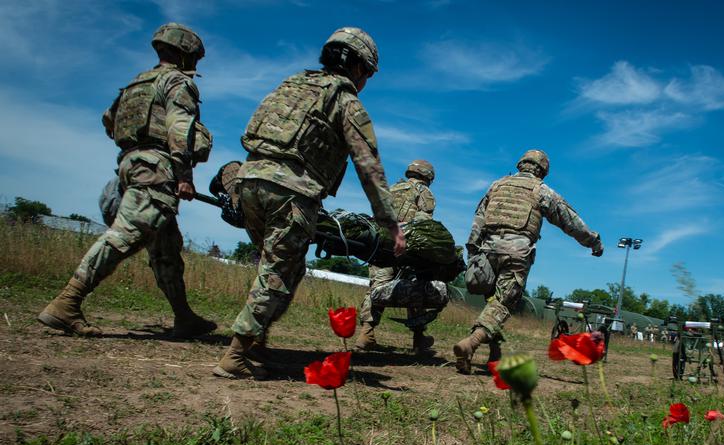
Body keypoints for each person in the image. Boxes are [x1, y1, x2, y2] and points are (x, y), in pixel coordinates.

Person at [214, 27, 405, 380]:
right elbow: (368, 165)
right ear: (359, 67)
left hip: (250, 179)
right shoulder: (346, 101)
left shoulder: (292, 85)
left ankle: (256, 343)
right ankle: (236, 354)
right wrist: (390, 223)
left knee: (282, 268)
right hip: (291, 192)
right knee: (277, 272)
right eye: (368, 73)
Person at [38, 23, 216, 340]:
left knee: (166, 248)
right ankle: (67, 302)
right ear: (186, 53)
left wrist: (133, 148)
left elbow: (110, 121)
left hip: (131, 163)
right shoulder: (176, 82)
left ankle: (184, 317)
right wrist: (183, 174)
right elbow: (181, 128)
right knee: (127, 234)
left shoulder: (136, 84)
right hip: (156, 167)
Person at [453, 150, 604, 373]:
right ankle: (471, 343)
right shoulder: (541, 190)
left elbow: (478, 221)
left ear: (521, 164)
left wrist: (473, 253)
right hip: (516, 253)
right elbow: (569, 220)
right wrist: (593, 241)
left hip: (487, 250)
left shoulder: (496, 185)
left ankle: (494, 355)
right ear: (542, 170)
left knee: (493, 300)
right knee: (504, 303)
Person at [355, 160, 438, 353]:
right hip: (406, 247)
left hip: (381, 244)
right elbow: (424, 223)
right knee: (416, 289)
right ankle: (418, 338)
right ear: (428, 176)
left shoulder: (393, 188)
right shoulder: (423, 192)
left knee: (377, 287)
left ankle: (366, 334)